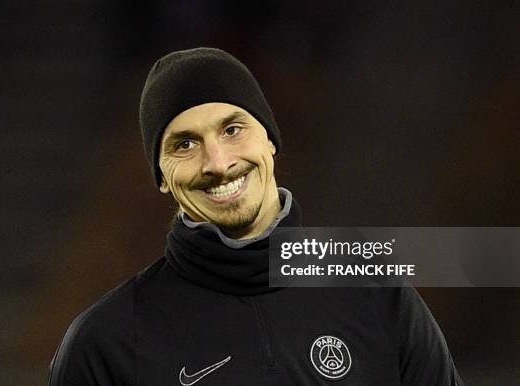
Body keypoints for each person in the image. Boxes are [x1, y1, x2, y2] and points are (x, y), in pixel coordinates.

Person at [48, 47, 463, 385]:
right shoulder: (107, 343)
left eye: (232, 129)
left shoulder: (376, 292)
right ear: (161, 177)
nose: (218, 162)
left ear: (270, 140)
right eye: (185, 144)